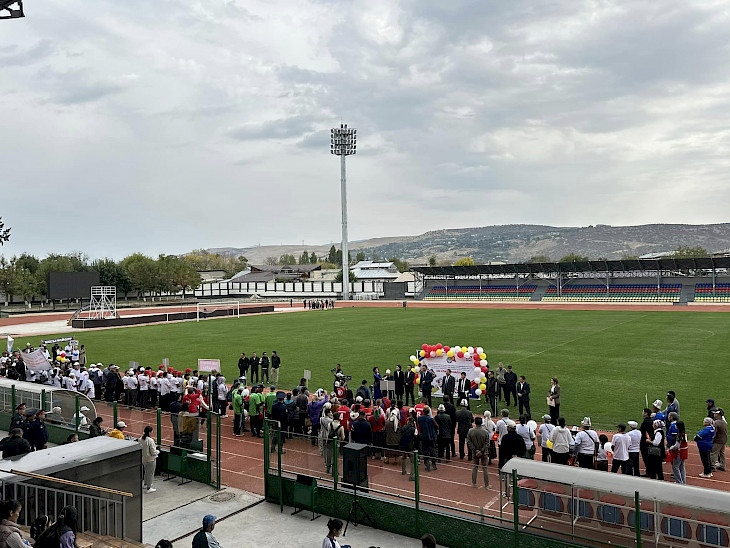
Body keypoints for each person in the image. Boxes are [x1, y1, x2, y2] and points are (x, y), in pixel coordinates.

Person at [467, 417, 490, 489]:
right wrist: (481, 451)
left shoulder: (470, 431)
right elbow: (487, 443)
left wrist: (475, 450)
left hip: (475, 452)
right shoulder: (485, 432)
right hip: (484, 452)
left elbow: (469, 442)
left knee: (475, 467)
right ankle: (487, 485)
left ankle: (474, 483)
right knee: (485, 468)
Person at [139, 425, 160, 493]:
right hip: (151, 459)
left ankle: (145, 484)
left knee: (146, 472)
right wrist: (158, 451)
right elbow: (153, 452)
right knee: (150, 473)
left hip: (144, 459)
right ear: (150, 432)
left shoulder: (140, 439)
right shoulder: (150, 440)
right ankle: (149, 487)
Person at [417, 406, 439, 471]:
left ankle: (427, 464)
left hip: (423, 436)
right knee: (432, 450)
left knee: (425, 451)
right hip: (431, 436)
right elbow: (437, 426)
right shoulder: (431, 419)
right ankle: (433, 463)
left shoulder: (420, 418)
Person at [667, 420, 688, 484]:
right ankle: (683, 481)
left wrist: (671, 448)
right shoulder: (684, 434)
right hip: (684, 451)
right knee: (682, 467)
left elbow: (677, 445)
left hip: (679, 452)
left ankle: (678, 481)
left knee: (675, 467)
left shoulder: (679, 435)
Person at [399, 416, 417, 481]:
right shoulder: (413, 429)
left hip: (403, 446)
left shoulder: (403, 427)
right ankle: (412, 476)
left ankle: (403, 471)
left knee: (403, 458)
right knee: (413, 461)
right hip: (410, 447)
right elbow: (416, 438)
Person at [711, 408, 727, 472]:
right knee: (722, 453)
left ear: (718, 414)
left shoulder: (716, 422)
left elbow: (714, 432)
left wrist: (712, 439)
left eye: (715, 414)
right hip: (724, 439)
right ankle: (723, 465)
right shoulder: (724, 422)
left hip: (718, 440)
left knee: (713, 453)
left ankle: (712, 466)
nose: (714, 415)